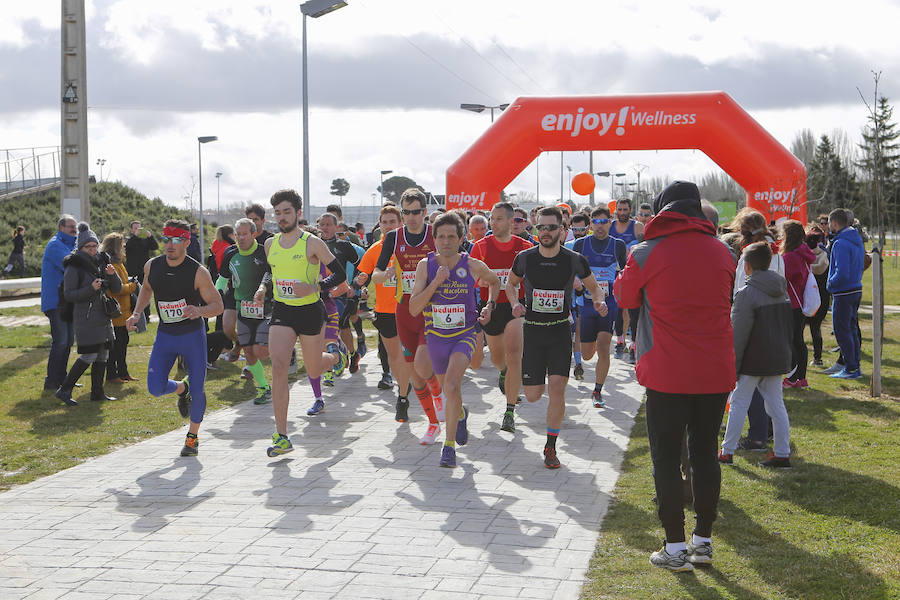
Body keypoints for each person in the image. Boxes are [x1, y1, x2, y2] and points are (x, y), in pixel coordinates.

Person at [614, 181, 736, 572]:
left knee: (666, 460)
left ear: (662, 210)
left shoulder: (645, 252)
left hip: (667, 371)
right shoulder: (724, 252)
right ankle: (703, 542)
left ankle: (674, 546)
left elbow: (625, 298)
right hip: (714, 369)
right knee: (705, 455)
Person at [506, 206, 608, 470]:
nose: (546, 232)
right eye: (542, 227)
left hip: (561, 331)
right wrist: (515, 302)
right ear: (536, 228)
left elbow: (595, 288)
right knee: (532, 396)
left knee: (557, 389)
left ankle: (551, 446)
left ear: (562, 231)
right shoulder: (525, 258)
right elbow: (510, 284)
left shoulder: (574, 259)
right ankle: (522, 386)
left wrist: (599, 302)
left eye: (552, 227)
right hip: (534, 331)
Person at [256, 189, 346, 456]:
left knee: (313, 368)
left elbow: (339, 275)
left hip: (310, 312)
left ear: (298, 213)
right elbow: (270, 272)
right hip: (283, 312)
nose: (282, 217)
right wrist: (263, 288)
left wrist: (315, 286)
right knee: (280, 366)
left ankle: (334, 357)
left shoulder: (312, 243)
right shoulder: (270, 244)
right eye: (278, 213)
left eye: (286, 212)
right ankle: (282, 435)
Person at [126, 219, 224, 456]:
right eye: (166, 239)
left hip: (191, 335)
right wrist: (136, 313)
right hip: (166, 335)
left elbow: (218, 305)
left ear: (186, 242)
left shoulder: (198, 272)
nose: (170, 245)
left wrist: (199, 311)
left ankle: (192, 438)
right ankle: (182, 388)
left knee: (199, 390)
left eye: (177, 240)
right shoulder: (153, 265)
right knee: (155, 388)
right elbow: (147, 288)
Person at [410, 212, 500, 467]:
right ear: (434, 239)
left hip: (465, 333)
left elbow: (494, 282)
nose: (446, 241)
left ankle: (448, 448)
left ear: (461, 238)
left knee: (451, 385)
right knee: (451, 392)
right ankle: (459, 414)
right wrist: (435, 282)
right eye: (441, 236)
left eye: (451, 236)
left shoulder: (471, 265)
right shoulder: (425, 266)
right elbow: (414, 308)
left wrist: (489, 306)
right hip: (436, 337)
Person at [374, 188, 447, 444]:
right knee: (415, 375)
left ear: (425, 212)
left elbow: (460, 257)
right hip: (404, 310)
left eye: (417, 212)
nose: (412, 217)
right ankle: (433, 423)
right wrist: (387, 276)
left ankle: (439, 397)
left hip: (430, 309)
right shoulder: (394, 237)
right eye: (407, 212)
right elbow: (376, 273)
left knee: (423, 364)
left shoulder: (436, 233)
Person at [719, 241, 793, 470]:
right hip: (776, 356)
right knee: (776, 406)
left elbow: (738, 334)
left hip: (752, 359)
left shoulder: (746, 294)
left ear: (747, 266)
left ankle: (727, 450)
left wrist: (734, 364)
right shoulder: (782, 289)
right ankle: (782, 453)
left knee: (740, 402)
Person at [470, 202, 532, 432]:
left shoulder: (525, 247)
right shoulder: (481, 247)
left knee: (515, 353)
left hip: (516, 307)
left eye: (498, 219)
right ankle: (504, 372)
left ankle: (509, 411)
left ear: (509, 221)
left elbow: (533, 275)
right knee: (498, 358)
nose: (493, 223)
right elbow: (470, 276)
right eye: (491, 219)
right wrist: (482, 281)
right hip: (492, 307)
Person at [54, 223, 124, 406]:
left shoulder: (102, 262)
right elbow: (69, 295)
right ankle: (64, 390)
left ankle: (97, 393)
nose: (92, 250)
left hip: (102, 316)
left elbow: (116, 288)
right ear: (81, 248)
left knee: (103, 355)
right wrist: (90, 288)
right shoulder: (74, 266)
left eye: (94, 246)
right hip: (85, 317)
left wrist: (113, 275)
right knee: (89, 356)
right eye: (88, 247)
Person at [572, 206, 627, 408]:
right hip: (586, 305)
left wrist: (620, 288)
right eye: (596, 222)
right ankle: (591, 341)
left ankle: (597, 390)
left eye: (604, 222)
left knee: (604, 348)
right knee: (587, 354)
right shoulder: (580, 244)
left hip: (609, 304)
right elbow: (571, 271)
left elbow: (625, 272)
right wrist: (576, 282)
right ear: (590, 224)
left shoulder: (618, 245)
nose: (600, 226)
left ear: (610, 223)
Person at [217, 218, 273, 405]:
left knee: (261, 351)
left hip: (266, 308)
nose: (240, 238)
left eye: (244, 234)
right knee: (249, 351)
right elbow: (223, 279)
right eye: (237, 234)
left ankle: (283, 344)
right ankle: (264, 387)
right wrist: (216, 293)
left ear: (253, 233)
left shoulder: (263, 251)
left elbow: (271, 272)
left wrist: (263, 288)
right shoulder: (230, 253)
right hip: (244, 309)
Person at [356, 206, 406, 407]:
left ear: (400, 223)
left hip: (408, 307)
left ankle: (408, 375)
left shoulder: (408, 247)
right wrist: (361, 284)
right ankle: (386, 374)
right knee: (385, 344)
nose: (388, 226)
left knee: (409, 345)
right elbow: (363, 276)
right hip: (385, 307)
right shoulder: (375, 249)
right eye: (384, 222)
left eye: (392, 222)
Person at [318, 213, 364, 372]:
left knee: (332, 326)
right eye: (322, 224)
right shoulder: (313, 245)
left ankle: (338, 355)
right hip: (319, 294)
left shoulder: (343, 246)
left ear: (336, 227)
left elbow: (362, 267)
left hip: (340, 293)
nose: (325, 228)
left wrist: (354, 286)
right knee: (342, 327)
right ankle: (351, 353)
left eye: (328, 224)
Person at [826, 208, 864, 379]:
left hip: (843, 291)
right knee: (852, 329)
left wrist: (830, 283)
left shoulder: (840, 243)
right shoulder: (856, 240)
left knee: (842, 330)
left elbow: (841, 272)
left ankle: (850, 368)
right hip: (856, 288)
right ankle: (854, 366)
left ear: (834, 223)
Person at [41, 215, 78, 391]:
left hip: (67, 301)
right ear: (61, 227)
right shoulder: (55, 245)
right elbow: (71, 265)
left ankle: (62, 378)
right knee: (61, 341)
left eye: (75, 227)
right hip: (56, 302)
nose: (74, 229)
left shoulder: (71, 245)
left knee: (69, 340)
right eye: (71, 226)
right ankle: (51, 381)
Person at [780, 220, 816, 388]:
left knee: (791, 341)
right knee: (798, 341)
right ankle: (800, 377)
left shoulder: (790, 256)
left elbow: (782, 279)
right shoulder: (803, 253)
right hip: (800, 303)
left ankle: (793, 377)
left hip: (790, 303)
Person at [100, 233, 138, 384]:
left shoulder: (119, 263)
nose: (124, 247)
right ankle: (112, 375)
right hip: (116, 311)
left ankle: (123, 372)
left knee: (123, 342)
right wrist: (132, 286)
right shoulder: (111, 265)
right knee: (116, 346)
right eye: (122, 244)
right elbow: (117, 289)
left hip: (124, 311)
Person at [609, 197, 644, 360]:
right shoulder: (610, 226)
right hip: (615, 273)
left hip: (633, 274)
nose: (622, 213)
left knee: (633, 310)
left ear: (630, 210)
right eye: (619, 210)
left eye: (625, 210)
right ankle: (620, 342)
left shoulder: (637, 227)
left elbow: (644, 248)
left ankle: (634, 345)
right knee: (618, 309)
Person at [804, 226, 830, 367]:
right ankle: (818, 358)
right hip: (822, 298)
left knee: (799, 329)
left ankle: (797, 357)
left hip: (806, 297)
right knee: (816, 328)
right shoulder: (824, 257)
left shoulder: (803, 258)